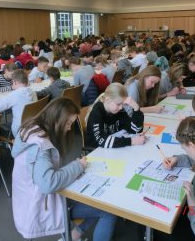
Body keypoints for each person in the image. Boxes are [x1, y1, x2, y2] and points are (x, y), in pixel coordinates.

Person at [11, 97, 117, 240]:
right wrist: (78, 166)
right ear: (56, 119)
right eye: (68, 123)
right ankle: (74, 234)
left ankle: (74, 234)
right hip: (41, 205)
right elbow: (48, 184)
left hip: (32, 200)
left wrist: (74, 168)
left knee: (100, 201)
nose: (69, 128)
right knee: (109, 209)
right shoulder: (40, 145)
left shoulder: (33, 130)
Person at [86, 83, 145, 148]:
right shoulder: (97, 112)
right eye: (118, 104)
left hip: (111, 149)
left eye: (123, 104)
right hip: (96, 151)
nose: (121, 107)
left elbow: (135, 130)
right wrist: (131, 141)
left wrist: (136, 108)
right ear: (107, 100)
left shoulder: (118, 111)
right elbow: (102, 140)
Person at [0, 69, 37, 138]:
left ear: (15, 82)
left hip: (19, 131)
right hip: (33, 127)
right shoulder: (33, 92)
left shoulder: (14, 95)